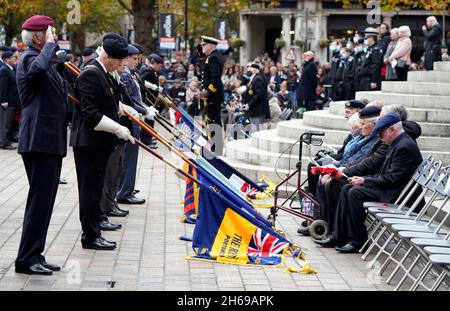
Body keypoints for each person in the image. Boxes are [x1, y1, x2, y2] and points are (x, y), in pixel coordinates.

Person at [316, 113, 423, 253]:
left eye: (382, 133)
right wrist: (361, 179)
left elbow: (392, 179)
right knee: (348, 187)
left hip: (396, 193)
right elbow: (382, 172)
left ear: (392, 129)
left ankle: (358, 241)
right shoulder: (396, 141)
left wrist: (365, 180)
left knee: (354, 192)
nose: (379, 137)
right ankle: (339, 235)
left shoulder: (403, 146)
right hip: (391, 187)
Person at [70, 33, 134, 251]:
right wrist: (118, 128)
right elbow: (90, 114)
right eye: (119, 60)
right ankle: (90, 236)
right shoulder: (91, 73)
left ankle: (95, 228)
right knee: (89, 191)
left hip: (100, 143)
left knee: (95, 190)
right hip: (89, 143)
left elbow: (109, 102)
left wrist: (124, 110)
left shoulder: (104, 73)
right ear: (107, 56)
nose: (121, 64)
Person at [15, 16, 67, 275]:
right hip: (39, 140)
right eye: (50, 32)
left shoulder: (42, 59)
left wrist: (58, 61)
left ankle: (35, 252)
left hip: (49, 139)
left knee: (45, 202)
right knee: (39, 201)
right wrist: (49, 48)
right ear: (37, 37)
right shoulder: (27, 59)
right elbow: (37, 70)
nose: (54, 35)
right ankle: (26, 258)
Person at [200, 35, 225, 156]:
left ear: (210, 45)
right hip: (213, 94)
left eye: (203, 45)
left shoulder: (213, 57)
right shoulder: (212, 56)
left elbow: (215, 77)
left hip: (213, 94)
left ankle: (217, 148)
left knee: (214, 120)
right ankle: (216, 146)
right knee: (212, 120)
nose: (202, 47)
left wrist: (208, 91)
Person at [140, 53, 164, 149]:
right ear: (154, 63)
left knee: (151, 120)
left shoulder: (153, 71)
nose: (160, 68)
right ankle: (146, 140)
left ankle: (149, 137)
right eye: (159, 65)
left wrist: (158, 88)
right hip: (148, 99)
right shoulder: (148, 70)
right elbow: (141, 81)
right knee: (148, 120)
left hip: (152, 99)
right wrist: (153, 87)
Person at [0, 49, 20, 150]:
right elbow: (3, 87)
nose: (14, 59)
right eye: (12, 57)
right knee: (5, 123)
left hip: (12, 101)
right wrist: (3, 100)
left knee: (8, 122)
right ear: (7, 59)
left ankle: (5, 140)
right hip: (7, 101)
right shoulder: (4, 70)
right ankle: (4, 142)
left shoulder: (11, 69)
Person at [242, 62, 269, 133]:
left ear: (254, 70)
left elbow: (259, 94)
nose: (248, 71)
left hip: (257, 109)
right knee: (255, 129)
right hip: (256, 108)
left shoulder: (258, 79)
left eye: (249, 70)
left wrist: (249, 104)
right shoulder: (257, 77)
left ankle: (257, 144)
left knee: (255, 131)